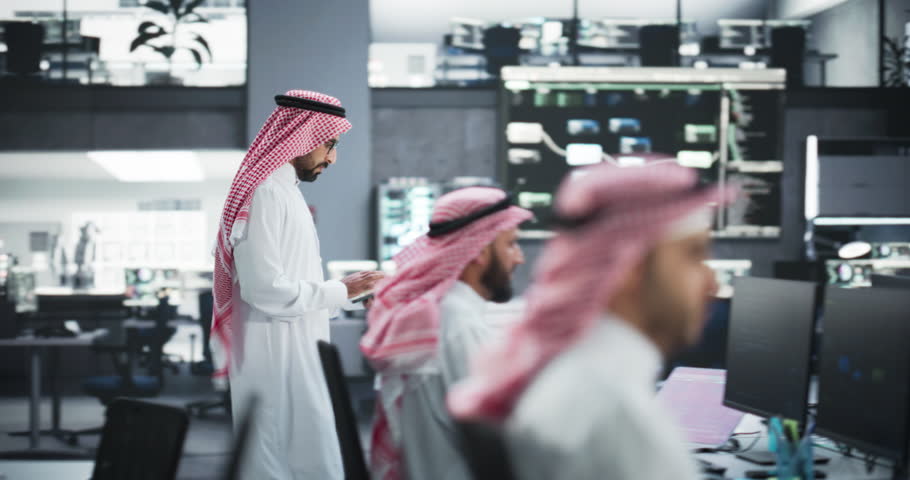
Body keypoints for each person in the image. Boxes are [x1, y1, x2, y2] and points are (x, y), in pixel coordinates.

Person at [448, 164, 736, 480]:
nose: (710, 283)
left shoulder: (576, 376)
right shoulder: (622, 419)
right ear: (630, 266)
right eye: (693, 255)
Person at [211, 90, 384, 479]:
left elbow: (294, 285)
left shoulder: (285, 192)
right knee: (281, 461)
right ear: (301, 137)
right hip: (274, 353)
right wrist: (343, 290)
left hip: (293, 347)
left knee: (307, 455)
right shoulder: (267, 193)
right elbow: (266, 291)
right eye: (329, 143)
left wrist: (353, 293)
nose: (332, 158)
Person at [360, 187, 532, 480]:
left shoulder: (437, 315)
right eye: (511, 245)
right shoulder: (459, 325)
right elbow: (505, 440)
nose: (520, 259)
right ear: (479, 250)